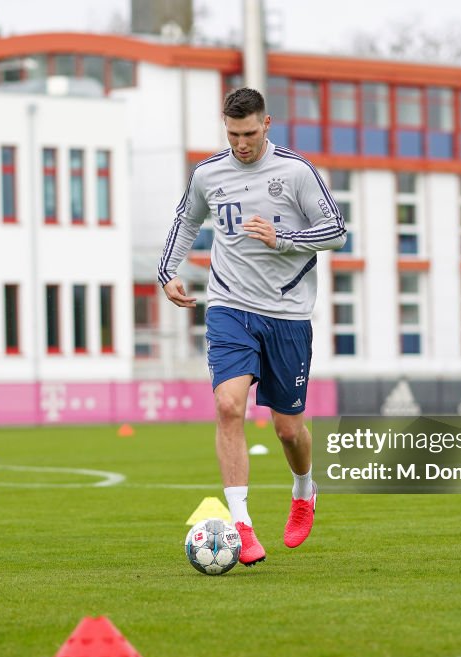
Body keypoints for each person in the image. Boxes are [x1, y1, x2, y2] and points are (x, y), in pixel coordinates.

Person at [157, 87, 346, 566]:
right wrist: (168, 273)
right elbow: (185, 222)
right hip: (228, 306)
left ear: (267, 124)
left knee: (287, 430)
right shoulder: (208, 173)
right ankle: (242, 525)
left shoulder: (296, 172)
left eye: (248, 133)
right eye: (232, 133)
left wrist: (284, 238)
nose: (240, 143)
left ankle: (304, 489)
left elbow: (336, 232)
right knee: (227, 405)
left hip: (287, 315)